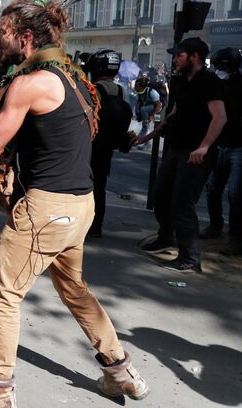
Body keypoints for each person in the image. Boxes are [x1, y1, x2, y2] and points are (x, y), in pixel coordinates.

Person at [0, 0, 149, 407]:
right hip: (80, 204)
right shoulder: (73, 76)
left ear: (24, 38)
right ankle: (120, 371)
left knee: (4, 294)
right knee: (74, 289)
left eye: (2, 35)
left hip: (46, 209)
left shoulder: (31, 82)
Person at [134, 37, 227, 273]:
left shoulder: (209, 81)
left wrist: (204, 147)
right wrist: (148, 137)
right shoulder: (182, 82)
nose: (174, 59)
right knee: (160, 196)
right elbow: (173, 115)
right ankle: (166, 237)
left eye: (179, 55)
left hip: (195, 152)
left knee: (182, 203)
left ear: (194, 56)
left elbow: (220, 117)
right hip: (176, 148)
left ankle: (190, 256)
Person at [200, 47, 242, 255]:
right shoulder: (217, 85)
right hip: (221, 144)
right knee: (212, 188)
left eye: (221, 67)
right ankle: (216, 226)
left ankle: (236, 239)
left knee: (235, 192)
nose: (218, 70)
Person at [83, 49, 134, 237]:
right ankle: (97, 225)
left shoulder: (93, 89)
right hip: (107, 146)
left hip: (91, 144)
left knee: (86, 186)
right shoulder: (121, 90)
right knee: (100, 186)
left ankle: (85, 224)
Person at [133, 76, 161, 150]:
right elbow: (137, 105)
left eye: (136, 86)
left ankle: (147, 143)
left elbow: (158, 105)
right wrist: (138, 115)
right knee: (140, 109)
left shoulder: (152, 92)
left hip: (155, 108)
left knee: (143, 109)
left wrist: (152, 115)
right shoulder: (139, 94)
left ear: (142, 86)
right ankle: (140, 140)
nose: (135, 87)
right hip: (146, 109)